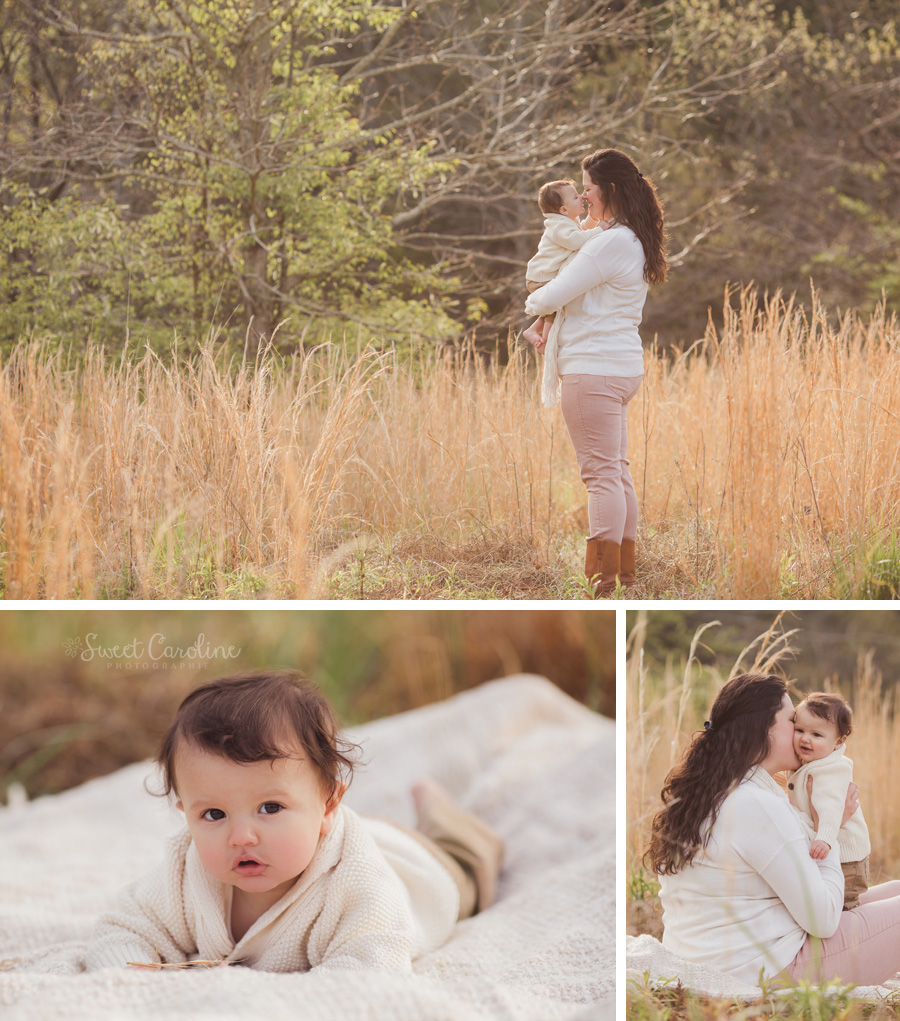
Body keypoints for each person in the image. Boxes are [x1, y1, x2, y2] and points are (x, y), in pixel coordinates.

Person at [86, 670, 504, 972]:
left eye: (270, 808)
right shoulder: (185, 872)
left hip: (419, 865)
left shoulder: (359, 886)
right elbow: (121, 927)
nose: (241, 836)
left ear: (328, 805)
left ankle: (438, 807)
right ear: (187, 817)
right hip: (333, 833)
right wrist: (125, 975)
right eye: (213, 814)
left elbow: (372, 963)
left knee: (470, 856)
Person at [645, 672, 900, 987]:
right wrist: (827, 834)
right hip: (764, 970)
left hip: (715, 957)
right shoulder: (755, 803)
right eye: (793, 720)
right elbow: (824, 919)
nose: (802, 732)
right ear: (762, 729)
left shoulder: (713, 790)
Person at [524, 148, 668, 597]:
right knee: (616, 472)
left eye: (587, 188)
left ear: (607, 190)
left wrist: (534, 300)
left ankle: (606, 582)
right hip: (621, 367)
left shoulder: (609, 244)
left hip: (592, 370)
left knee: (601, 476)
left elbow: (546, 298)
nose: (583, 197)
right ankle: (623, 574)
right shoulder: (630, 238)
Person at [786, 691, 870, 910]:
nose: (805, 738)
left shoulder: (829, 771)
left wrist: (824, 839)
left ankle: (856, 935)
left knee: (842, 905)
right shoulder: (812, 762)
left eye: (816, 735)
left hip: (846, 859)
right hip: (838, 854)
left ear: (838, 742)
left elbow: (831, 808)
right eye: (800, 730)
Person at [522, 179, 608, 349]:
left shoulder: (567, 221)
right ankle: (545, 342)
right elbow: (576, 240)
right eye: (576, 197)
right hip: (541, 277)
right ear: (563, 209)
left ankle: (532, 330)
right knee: (554, 306)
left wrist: (592, 219)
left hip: (544, 275)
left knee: (552, 310)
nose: (582, 197)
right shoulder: (557, 226)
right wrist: (601, 230)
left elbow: (581, 231)